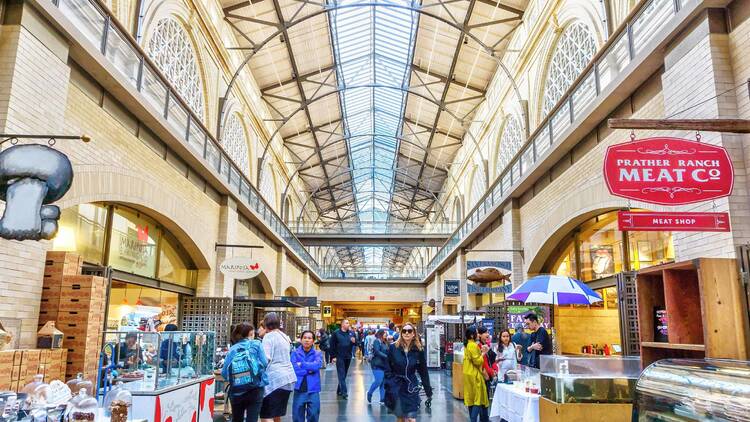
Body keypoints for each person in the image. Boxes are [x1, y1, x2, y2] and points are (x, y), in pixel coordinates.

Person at [384, 323, 432, 422]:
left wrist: (428, 390)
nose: (407, 333)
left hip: (411, 387)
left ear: (414, 334)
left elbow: (423, 371)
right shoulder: (393, 348)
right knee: (400, 418)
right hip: (397, 386)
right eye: (404, 331)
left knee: (411, 418)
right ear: (401, 333)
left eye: (409, 331)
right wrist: (390, 383)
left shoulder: (418, 350)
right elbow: (387, 367)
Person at [222, 323, 268, 422]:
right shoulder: (257, 344)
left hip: (237, 390)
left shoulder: (233, 349)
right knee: (252, 418)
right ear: (251, 333)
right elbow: (264, 363)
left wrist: (237, 379)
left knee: (237, 418)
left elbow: (224, 373)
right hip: (255, 388)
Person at [260, 313, 296, 422]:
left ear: (266, 323)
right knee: (276, 414)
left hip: (275, 379)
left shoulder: (269, 336)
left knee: (266, 415)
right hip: (288, 378)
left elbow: (265, 359)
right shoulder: (283, 335)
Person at [291, 330, 322, 422]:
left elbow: (317, 366)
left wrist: (302, 364)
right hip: (299, 388)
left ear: (313, 341)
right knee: (297, 416)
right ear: (300, 340)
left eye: (309, 338)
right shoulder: (295, 353)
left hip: (313, 388)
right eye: (304, 338)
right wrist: (310, 369)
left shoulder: (318, 353)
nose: (307, 340)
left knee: (313, 414)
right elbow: (295, 368)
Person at [463, 326, 489, 422]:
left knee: (471, 400)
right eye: (477, 333)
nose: (478, 335)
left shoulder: (467, 345)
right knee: (477, 399)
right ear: (471, 335)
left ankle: (472, 419)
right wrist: (483, 353)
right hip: (474, 375)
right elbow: (477, 361)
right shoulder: (473, 345)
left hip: (468, 374)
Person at [329, 319, 356, 399]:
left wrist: (354, 341)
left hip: (348, 356)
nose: (348, 324)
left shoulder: (351, 333)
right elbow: (332, 345)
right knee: (341, 374)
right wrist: (333, 356)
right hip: (339, 356)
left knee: (344, 375)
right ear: (342, 324)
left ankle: (339, 390)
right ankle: (344, 392)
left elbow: (356, 343)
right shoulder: (336, 333)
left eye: (349, 323)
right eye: (347, 323)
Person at [367, 329, 388, 404]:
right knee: (379, 380)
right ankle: (370, 392)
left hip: (384, 365)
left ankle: (382, 399)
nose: (386, 334)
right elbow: (377, 351)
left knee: (383, 382)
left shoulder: (384, 342)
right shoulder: (377, 341)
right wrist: (386, 356)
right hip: (377, 364)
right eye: (385, 333)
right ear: (381, 334)